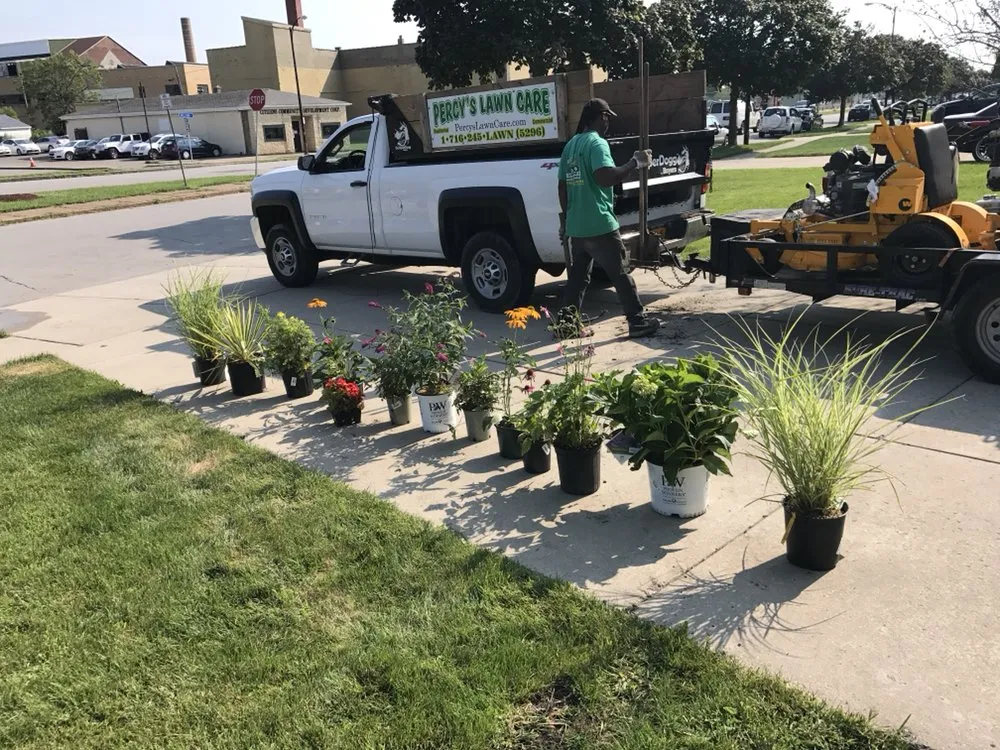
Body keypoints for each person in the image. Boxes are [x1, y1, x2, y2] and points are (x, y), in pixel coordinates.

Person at [557, 98, 660, 338]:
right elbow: (604, 177)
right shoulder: (597, 144)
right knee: (621, 274)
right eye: (607, 118)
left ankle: (566, 326)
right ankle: (638, 322)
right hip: (600, 223)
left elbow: (562, 187)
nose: (608, 123)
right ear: (600, 116)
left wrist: (566, 220)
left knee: (578, 279)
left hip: (578, 227)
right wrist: (635, 163)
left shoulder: (571, 145)